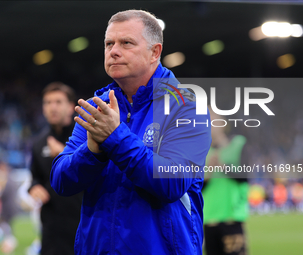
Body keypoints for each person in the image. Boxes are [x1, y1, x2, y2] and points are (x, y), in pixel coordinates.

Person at [50, 10, 211, 254]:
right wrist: (92, 151)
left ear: (154, 53)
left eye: (126, 43)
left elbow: (172, 183)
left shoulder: (186, 105)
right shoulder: (97, 106)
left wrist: (114, 138)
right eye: (108, 43)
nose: (113, 51)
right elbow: (60, 181)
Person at [28, 82, 83, 255]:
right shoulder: (38, 143)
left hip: (83, 224)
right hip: (52, 230)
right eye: (47, 102)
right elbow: (35, 177)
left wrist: (66, 155)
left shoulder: (86, 137)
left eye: (58, 102)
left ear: (70, 107)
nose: (52, 107)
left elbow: (99, 174)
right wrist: (34, 187)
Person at [202, 108, 249, 255]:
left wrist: (222, 166)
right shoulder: (202, 153)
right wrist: (208, 174)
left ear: (223, 122)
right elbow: (195, 188)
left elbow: (245, 176)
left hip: (231, 218)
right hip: (208, 219)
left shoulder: (238, 144)